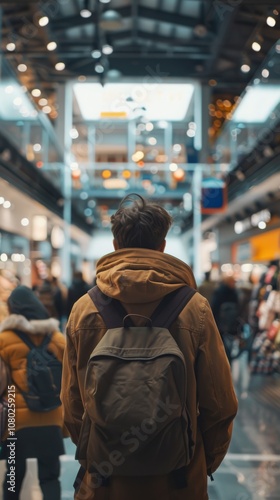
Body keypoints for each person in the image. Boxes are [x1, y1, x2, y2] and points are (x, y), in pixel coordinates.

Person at [61, 193, 238, 500]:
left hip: (105, 482)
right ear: (163, 246)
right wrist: (199, 462)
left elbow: (72, 402)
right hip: (178, 481)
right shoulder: (194, 308)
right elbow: (219, 404)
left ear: (115, 246)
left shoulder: (84, 309)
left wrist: (101, 452)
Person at [0, 285, 66, 500]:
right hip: (52, 416)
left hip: (14, 421)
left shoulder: (4, 339)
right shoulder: (57, 338)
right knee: (50, 478)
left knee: (13, 477)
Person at [211, 274, 240, 363]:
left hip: (227, 324)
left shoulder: (223, 291)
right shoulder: (226, 292)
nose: (233, 284)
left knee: (226, 347)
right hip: (223, 324)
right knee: (224, 347)